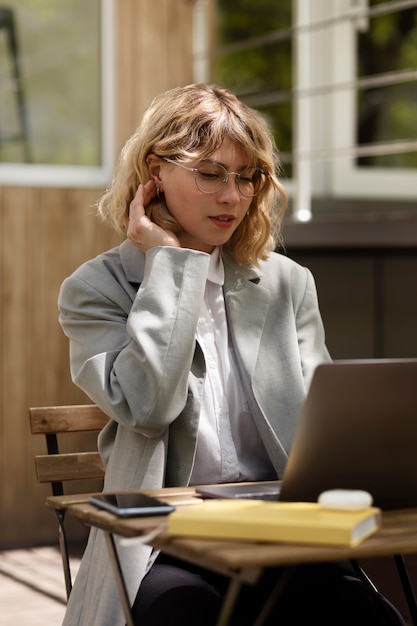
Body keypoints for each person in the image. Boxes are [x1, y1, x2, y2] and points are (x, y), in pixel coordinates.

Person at [58, 83, 405, 626]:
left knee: (361, 617)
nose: (233, 197)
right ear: (155, 173)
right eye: (211, 173)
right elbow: (148, 406)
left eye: (247, 177)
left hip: (285, 533)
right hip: (163, 537)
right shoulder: (97, 289)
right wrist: (171, 269)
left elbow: (327, 427)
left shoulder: (286, 284)